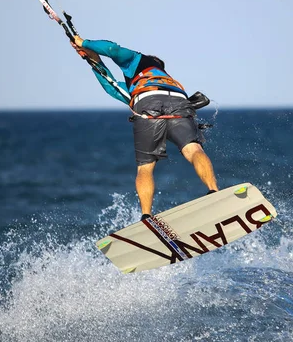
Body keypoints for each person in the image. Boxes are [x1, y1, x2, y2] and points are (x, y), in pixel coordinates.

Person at [71, 36, 219, 221]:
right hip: (180, 104)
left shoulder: (138, 61)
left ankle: (146, 216)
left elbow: (112, 54)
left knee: (145, 168)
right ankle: (214, 191)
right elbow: (111, 82)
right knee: (194, 149)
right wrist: (91, 57)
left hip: (148, 104)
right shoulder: (167, 81)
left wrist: (83, 43)